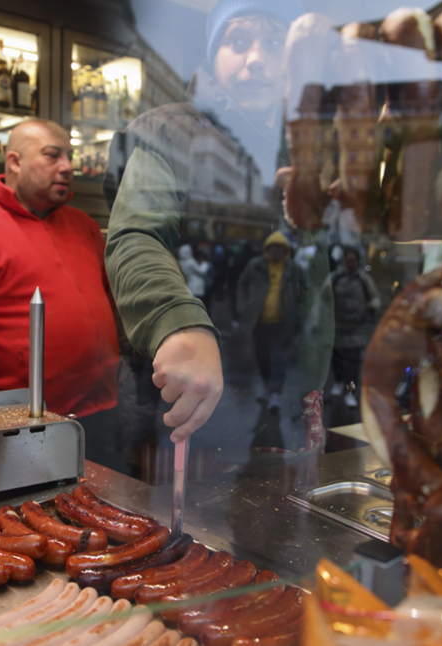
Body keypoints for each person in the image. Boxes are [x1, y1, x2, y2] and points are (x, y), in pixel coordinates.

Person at [105, 0, 327, 444]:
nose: (257, 58)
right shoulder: (167, 132)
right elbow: (137, 237)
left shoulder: (305, 153)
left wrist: (320, 374)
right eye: (238, 41)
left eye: (273, 42)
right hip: (193, 402)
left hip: (286, 404)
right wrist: (179, 324)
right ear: (213, 56)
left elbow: (318, 277)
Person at [0, 119, 121, 466]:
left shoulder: (84, 226)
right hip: (25, 424)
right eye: (53, 156)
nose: (68, 166)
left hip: (102, 413)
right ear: (15, 162)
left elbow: (110, 305)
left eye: (70, 156)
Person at [237, 231, 306, 411]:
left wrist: (299, 315)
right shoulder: (255, 266)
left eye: (279, 248)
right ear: (266, 249)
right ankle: (266, 385)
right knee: (262, 357)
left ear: (286, 250)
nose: (275, 251)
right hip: (259, 322)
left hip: (284, 322)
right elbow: (241, 285)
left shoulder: (295, 270)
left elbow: (303, 295)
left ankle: (275, 394)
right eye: (272, 247)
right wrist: (244, 307)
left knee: (279, 359)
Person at [329, 247, 380, 408]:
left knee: (352, 364)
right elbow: (322, 298)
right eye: (348, 260)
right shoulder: (335, 278)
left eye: (354, 260)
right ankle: (338, 382)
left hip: (356, 330)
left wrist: (372, 305)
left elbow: (376, 299)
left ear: (358, 262)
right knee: (336, 359)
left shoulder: (364, 280)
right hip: (337, 328)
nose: (351, 263)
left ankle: (350, 392)